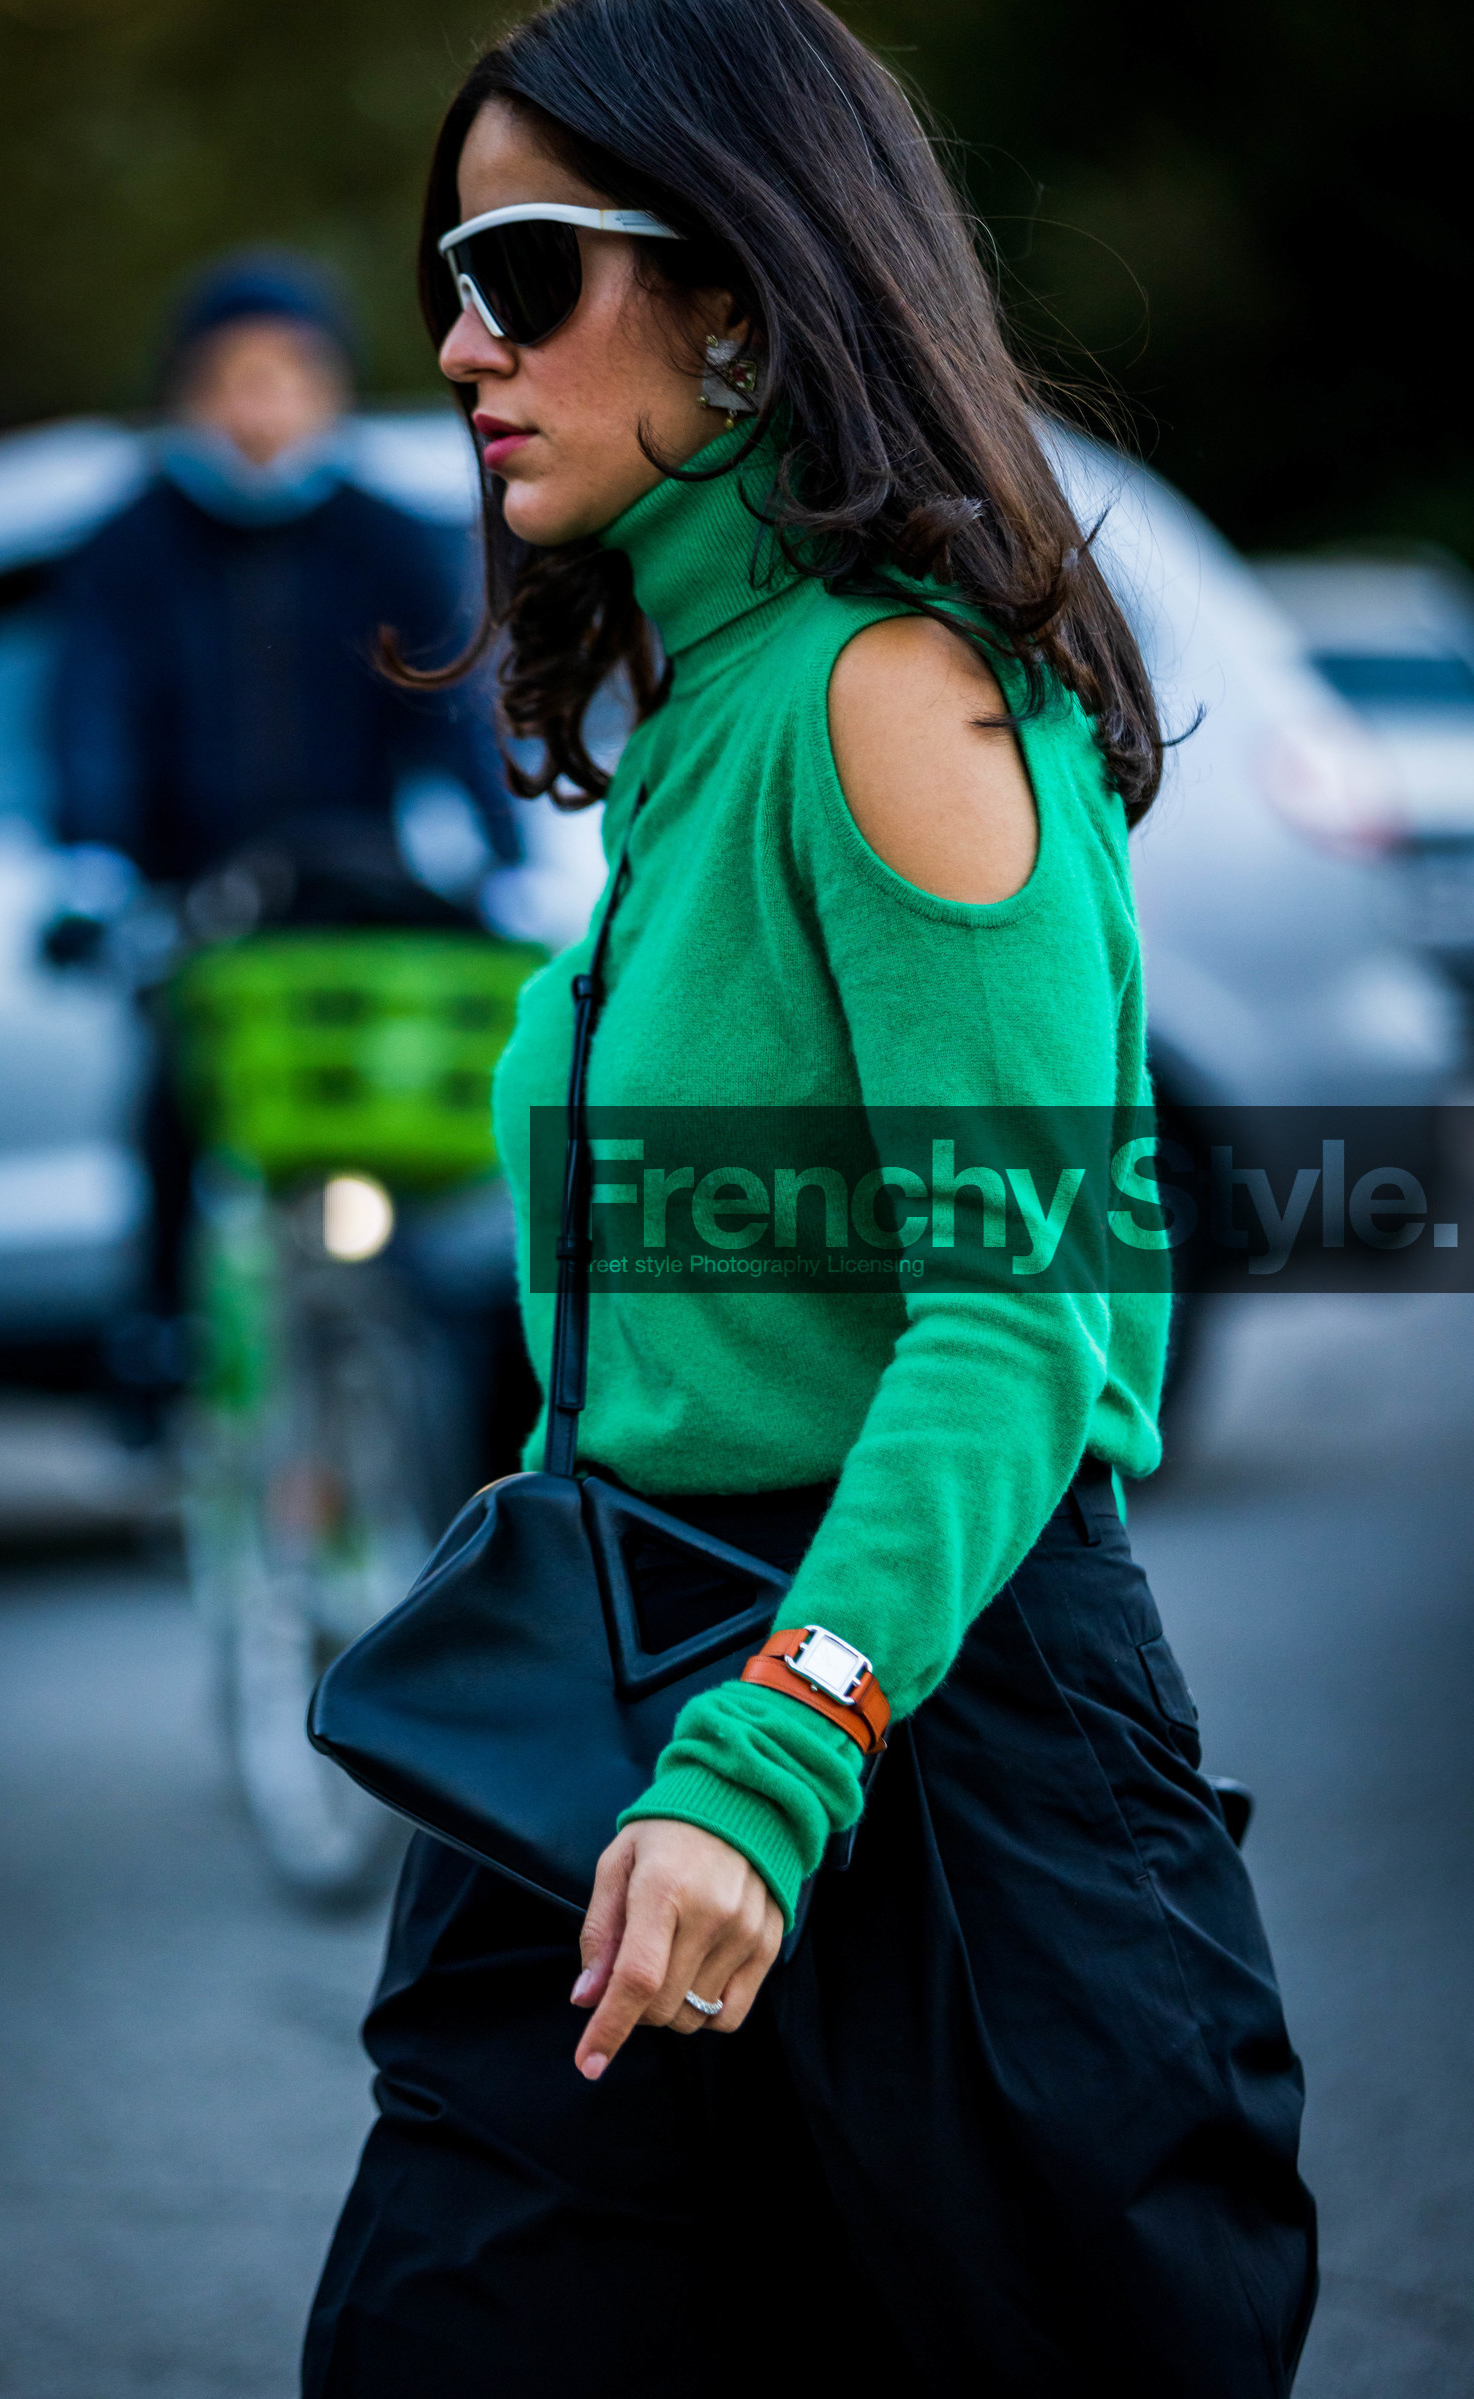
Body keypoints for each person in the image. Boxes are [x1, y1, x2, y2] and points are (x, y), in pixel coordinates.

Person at [303, 5, 1318, 2393]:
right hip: (614, 1699)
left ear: (744, 295)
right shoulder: (706, 704)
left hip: (904, 1735)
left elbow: (1015, 1315)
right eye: (446, 271)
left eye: (523, 269)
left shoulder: (895, 690)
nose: (457, 340)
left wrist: (775, 1748)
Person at [47, 253, 515, 1404]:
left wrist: (495, 849)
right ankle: (160, 1349)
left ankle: (432, 1376)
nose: (260, 408)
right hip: (192, 894)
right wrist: (89, 861)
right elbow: (88, 712)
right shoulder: (128, 548)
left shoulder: (387, 534)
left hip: (355, 888)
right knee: (174, 1107)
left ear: (330, 389)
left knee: (409, 1130)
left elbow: (454, 702)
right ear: (188, 394)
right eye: (232, 379)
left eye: (288, 376)